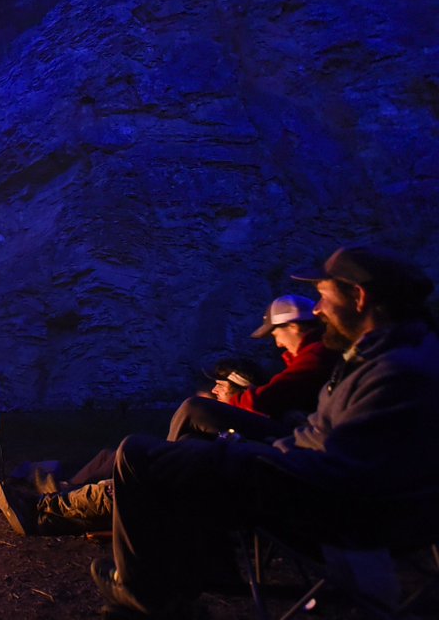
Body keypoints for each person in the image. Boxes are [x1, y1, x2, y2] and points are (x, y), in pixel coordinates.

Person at [91, 246, 439, 617]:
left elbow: (341, 474)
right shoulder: (385, 357)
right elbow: (328, 440)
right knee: (188, 445)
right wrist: (264, 447)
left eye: (324, 296)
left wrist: (245, 453)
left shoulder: (396, 372)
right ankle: (175, 581)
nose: (318, 310)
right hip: (321, 488)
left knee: (136, 454)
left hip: (335, 512)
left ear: (359, 296)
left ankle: (148, 594)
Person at [167, 296, 341, 442]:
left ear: (293, 327)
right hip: (299, 431)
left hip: (304, 437)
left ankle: (158, 464)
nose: (278, 344)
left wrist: (227, 405)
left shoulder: (317, 356)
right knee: (190, 439)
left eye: (276, 335)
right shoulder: (313, 356)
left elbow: (268, 398)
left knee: (194, 407)